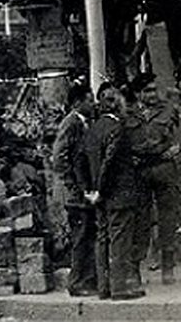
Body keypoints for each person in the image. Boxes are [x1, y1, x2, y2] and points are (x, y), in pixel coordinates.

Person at [83, 83, 144, 300]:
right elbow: (109, 163)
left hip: (98, 196)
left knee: (102, 239)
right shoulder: (117, 129)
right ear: (116, 104)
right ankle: (120, 287)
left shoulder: (92, 130)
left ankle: (104, 287)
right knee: (120, 240)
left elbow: (82, 162)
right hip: (118, 193)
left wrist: (90, 190)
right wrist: (101, 189)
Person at [126, 73, 181, 285]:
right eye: (147, 90)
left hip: (164, 168)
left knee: (168, 218)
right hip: (140, 171)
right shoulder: (129, 113)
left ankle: (167, 268)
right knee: (141, 220)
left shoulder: (170, 109)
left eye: (153, 89)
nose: (152, 94)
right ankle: (136, 270)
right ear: (138, 93)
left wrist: (177, 150)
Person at [52, 81, 98, 296]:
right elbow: (59, 158)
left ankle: (88, 280)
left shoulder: (86, 122)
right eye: (89, 101)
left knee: (88, 234)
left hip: (84, 190)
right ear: (78, 103)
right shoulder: (70, 123)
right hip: (76, 194)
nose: (93, 104)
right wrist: (73, 185)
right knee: (80, 238)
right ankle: (77, 283)